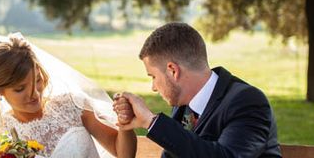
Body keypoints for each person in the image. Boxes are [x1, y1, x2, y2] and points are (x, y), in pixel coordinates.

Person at [113, 22, 282, 158]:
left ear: (173, 70)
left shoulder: (247, 101)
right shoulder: (184, 106)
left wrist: (150, 121)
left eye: (153, 77)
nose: (154, 87)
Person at [0, 33, 137, 158]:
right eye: (20, 89)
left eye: (38, 80)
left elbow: (123, 154)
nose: (35, 93)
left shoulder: (72, 106)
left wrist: (124, 124)